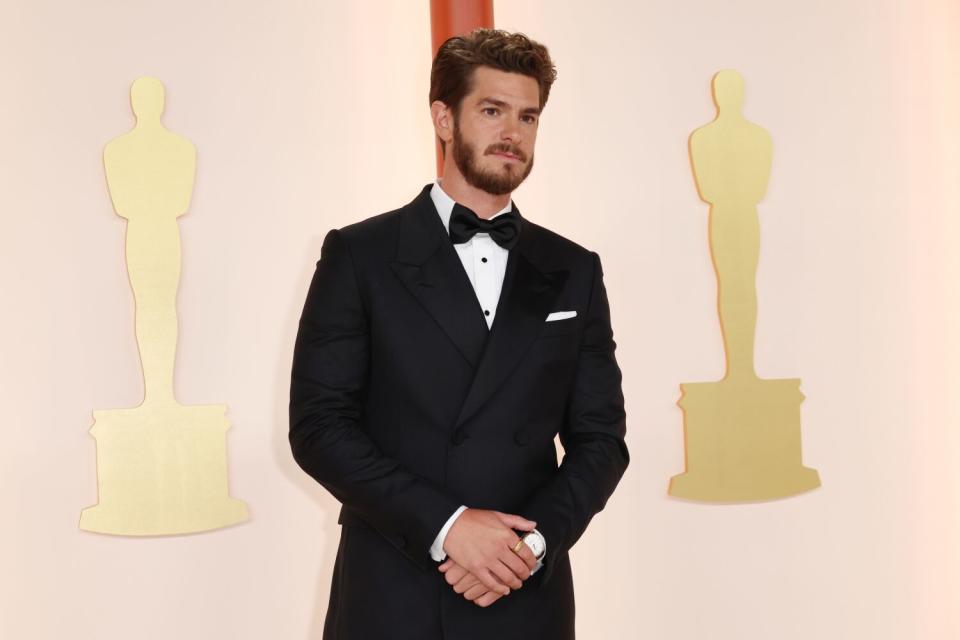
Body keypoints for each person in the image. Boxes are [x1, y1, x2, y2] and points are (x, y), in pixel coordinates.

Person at [289, 28, 629, 640]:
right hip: (395, 589)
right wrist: (449, 526)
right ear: (444, 119)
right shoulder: (361, 254)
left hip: (523, 592)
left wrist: (528, 545)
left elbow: (602, 439)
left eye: (528, 116)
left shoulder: (573, 268)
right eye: (492, 110)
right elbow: (319, 427)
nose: (513, 134)